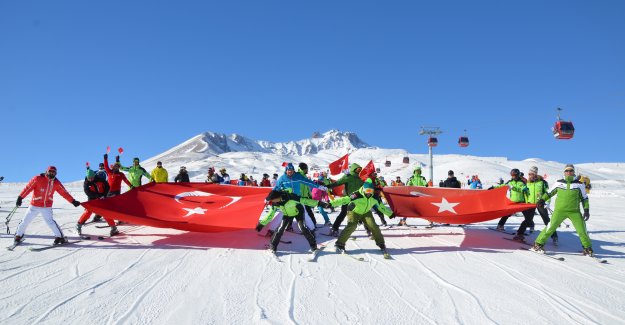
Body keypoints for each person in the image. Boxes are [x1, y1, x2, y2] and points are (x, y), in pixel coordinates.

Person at [531, 164, 593, 256]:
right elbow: (549, 193)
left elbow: (584, 198)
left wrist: (586, 210)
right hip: (559, 211)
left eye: (571, 171)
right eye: (567, 171)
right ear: (564, 172)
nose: (569, 172)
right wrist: (542, 200)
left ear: (573, 172)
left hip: (574, 211)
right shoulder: (559, 183)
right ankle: (537, 244)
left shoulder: (579, 185)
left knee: (582, 230)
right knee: (550, 227)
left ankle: (587, 248)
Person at [13, 166, 81, 246]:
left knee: (50, 222)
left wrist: (72, 201)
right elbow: (28, 188)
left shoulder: (56, 182)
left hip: (46, 206)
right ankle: (18, 235)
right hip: (34, 205)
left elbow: (64, 193)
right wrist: (20, 197)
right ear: (47, 171)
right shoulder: (38, 179)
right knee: (25, 220)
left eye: (54, 172)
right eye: (50, 171)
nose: (52, 173)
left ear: (56, 173)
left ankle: (60, 237)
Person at [331, 180, 395, 258]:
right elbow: (344, 199)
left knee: (373, 226)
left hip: (366, 212)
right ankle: (339, 244)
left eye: (371, 191)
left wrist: (390, 214)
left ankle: (381, 243)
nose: (369, 192)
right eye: (367, 190)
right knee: (352, 225)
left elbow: (381, 207)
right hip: (354, 211)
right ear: (363, 189)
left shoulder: (374, 197)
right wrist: (331, 204)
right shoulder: (357, 195)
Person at [256, 189, 322, 255]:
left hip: (298, 212)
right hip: (287, 214)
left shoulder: (291, 197)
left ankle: (314, 247)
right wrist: (261, 224)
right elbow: (270, 214)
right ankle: (273, 247)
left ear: (277, 197)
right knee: (280, 229)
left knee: (303, 227)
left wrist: (320, 203)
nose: (271, 201)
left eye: (272, 199)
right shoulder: (274, 203)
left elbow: (306, 201)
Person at [512, 166, 557, 243]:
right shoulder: (528, 183)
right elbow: (525, 193)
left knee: (546, 220)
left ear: (535, 174)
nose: (529, 175)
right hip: (530, 204)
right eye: (529, 174)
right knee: (528, 220)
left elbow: (547, 193)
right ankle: (519, 234)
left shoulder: (542, 182)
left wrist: (547, 202)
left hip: (541, 203)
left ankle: (554, 236)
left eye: (531, 174)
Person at [76, 169, 118, 236]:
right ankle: (79, 225)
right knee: (88, 212)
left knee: (104, 213)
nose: (90, 179)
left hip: (101, 199)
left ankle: (114, 228)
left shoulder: (100, 179)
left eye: (92, 177)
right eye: (89, 178)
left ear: (94, 176)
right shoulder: (86, 183)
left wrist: (104, 195)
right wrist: (97, 196)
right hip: (92, 200)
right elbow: (88, 192)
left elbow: (107, 187)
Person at [325, 163, 363, 236]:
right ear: (353, 169)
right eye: (357, 169)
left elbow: (363, 187)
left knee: (359, 212)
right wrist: (328, 186)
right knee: (343, 213)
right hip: (347, 198)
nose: (358, 171)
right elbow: (337, 183)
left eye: (360, 170)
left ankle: (360, 224)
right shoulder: (348, 177)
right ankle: (334, 228)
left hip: (357, 199)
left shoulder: (359, 179)